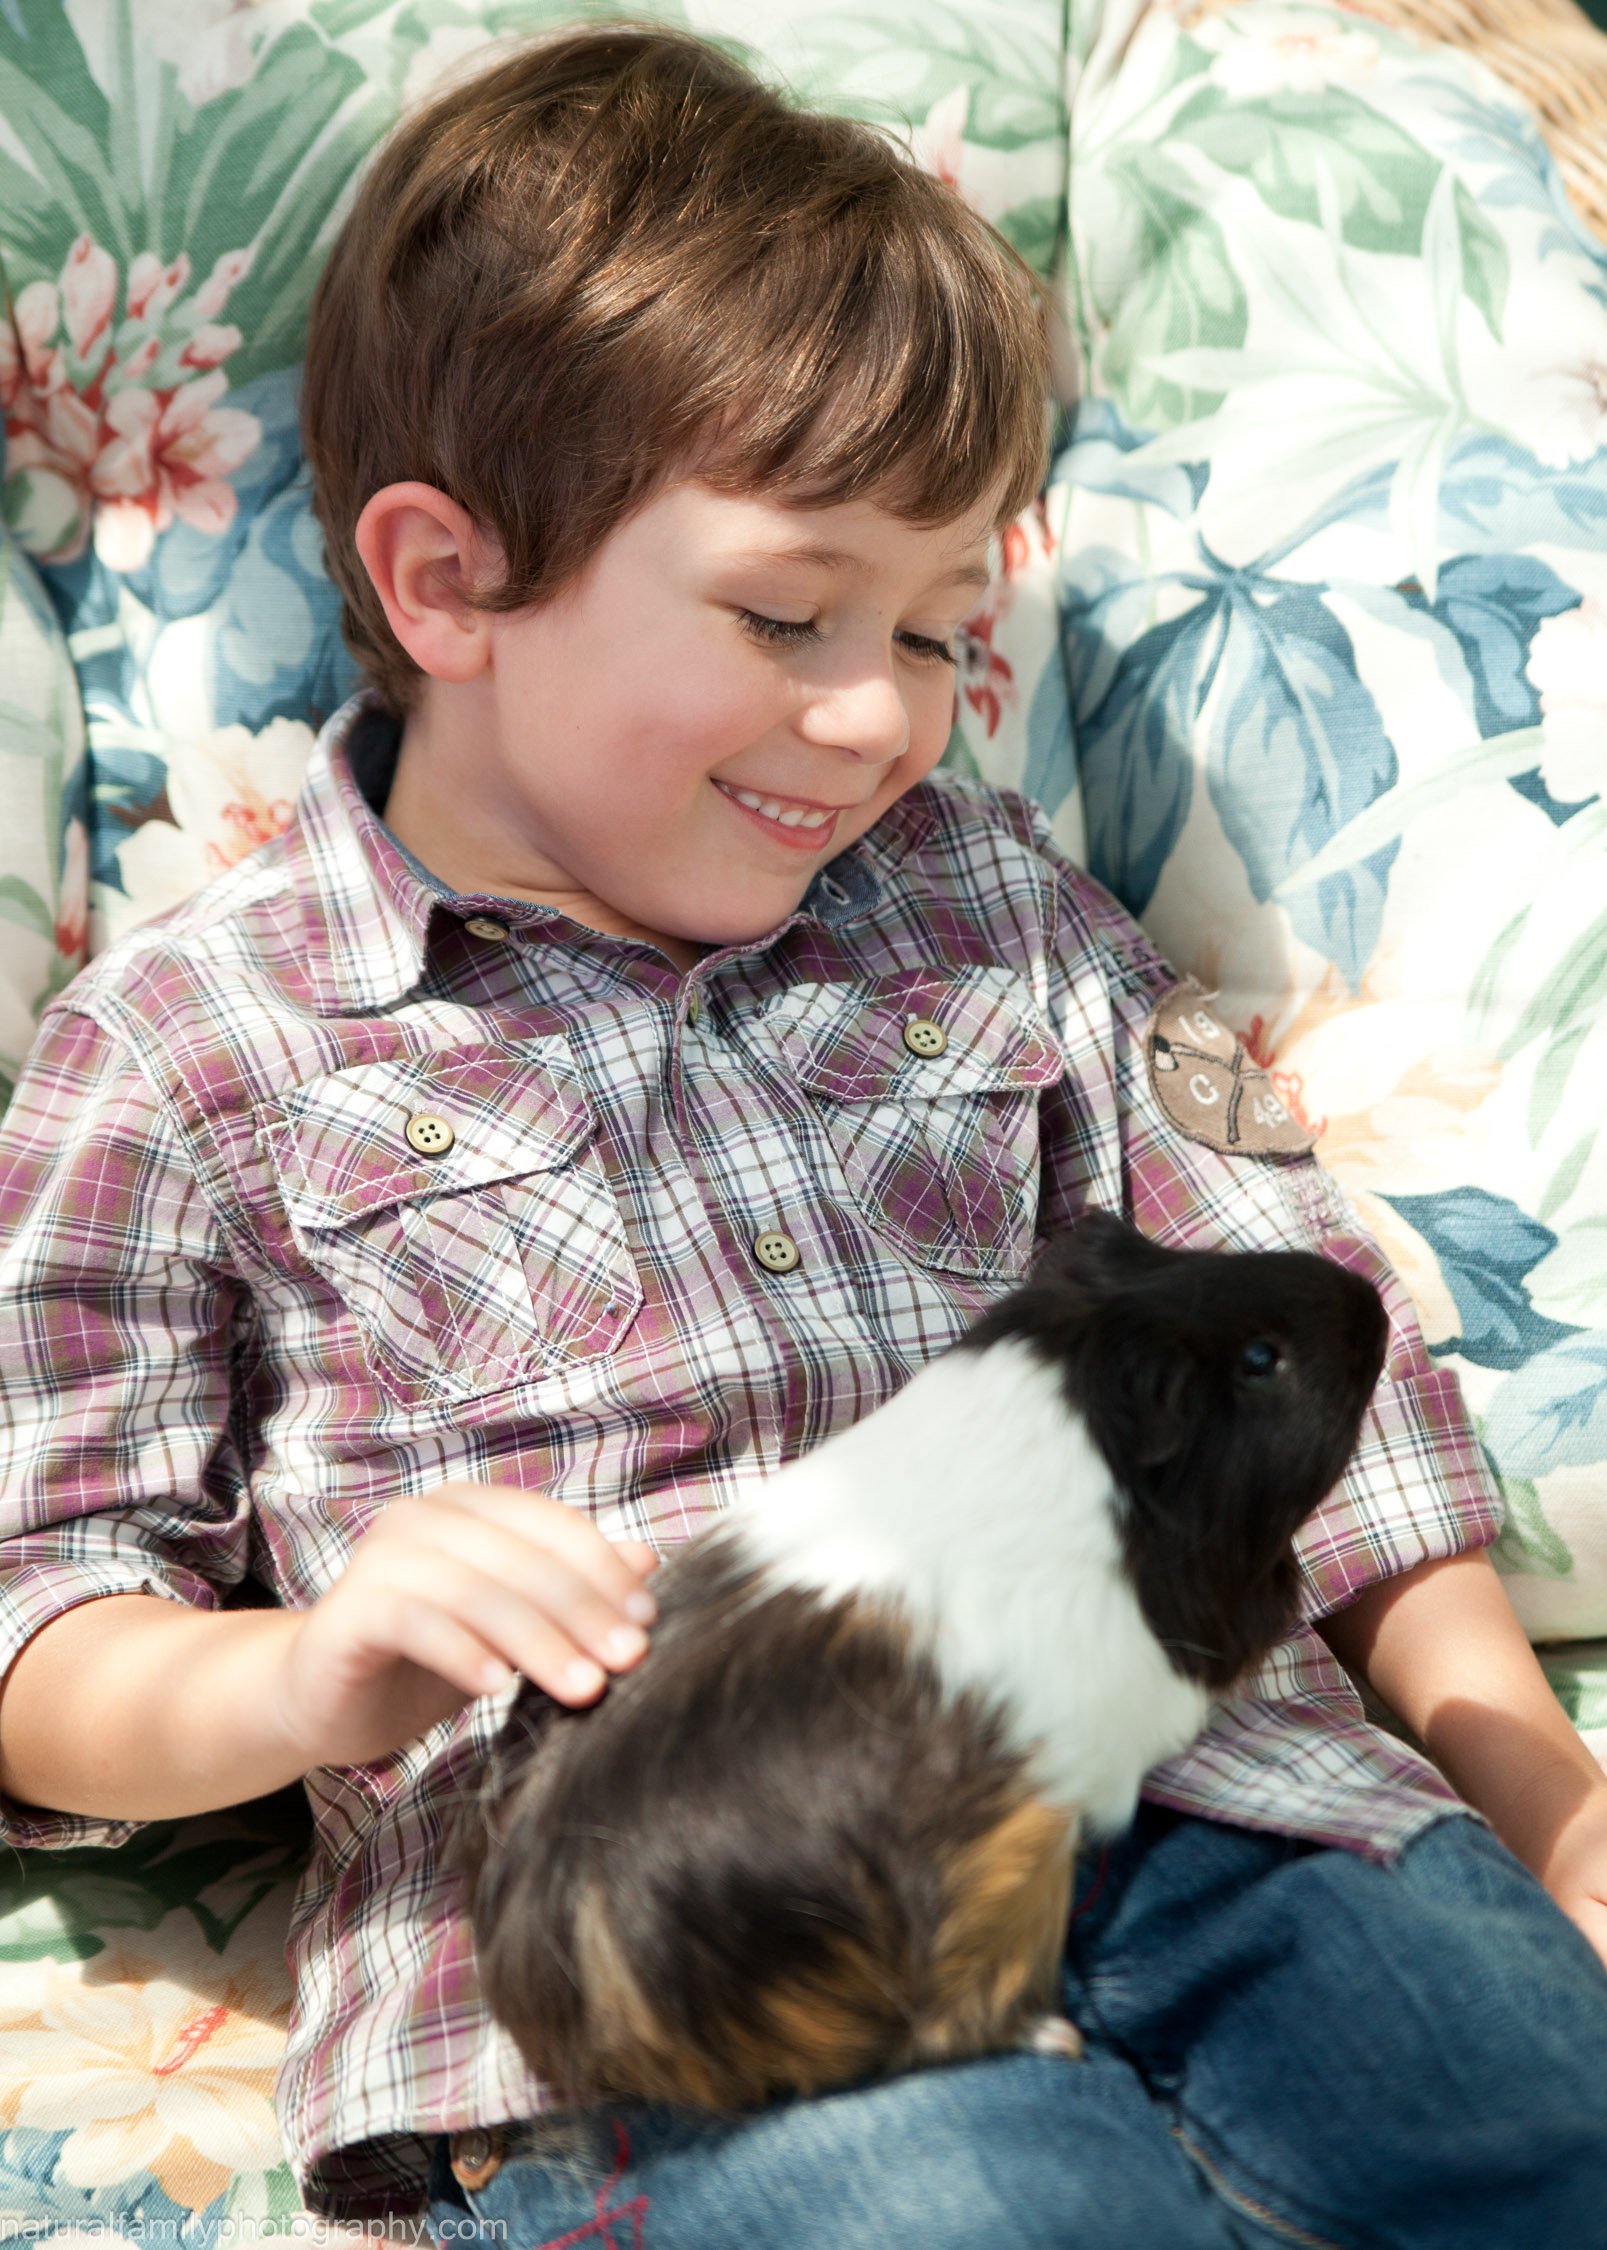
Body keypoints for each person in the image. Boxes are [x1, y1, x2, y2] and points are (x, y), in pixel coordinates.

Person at [0, 24, 1604, 2246]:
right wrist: (304, 1668)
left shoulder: (983, 898)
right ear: (451, 581)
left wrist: (1528, 1775)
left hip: (1204, 1786)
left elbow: (1294, 1342)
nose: (880, 718)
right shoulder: (188, 1046)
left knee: (1544, 2122)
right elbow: (43, 1625)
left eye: (945, 633)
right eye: (789, 615)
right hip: (677, 1909)